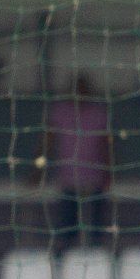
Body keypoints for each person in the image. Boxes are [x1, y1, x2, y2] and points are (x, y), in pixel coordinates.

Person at [39, 74, 114, 254]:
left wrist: (108, 172)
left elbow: (106, 145)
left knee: (95, 228)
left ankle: (96, 264)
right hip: (68, 180)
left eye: (83, 89)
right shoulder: (60, 112)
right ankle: (63, 265)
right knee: (66, 228)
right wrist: (38, 170)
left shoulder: (99, 113)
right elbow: (47, 143)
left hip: (94, 180)